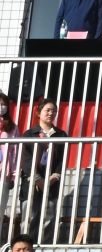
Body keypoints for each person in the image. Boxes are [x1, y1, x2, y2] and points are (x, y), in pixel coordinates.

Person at [14, 101, 65, 239]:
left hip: (52, 181)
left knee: (49, 217)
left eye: (54, 111)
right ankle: (27, 245)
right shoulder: (29, 134)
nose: (51, 113)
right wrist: (37, 179)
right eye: (47, 110)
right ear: (39, 113)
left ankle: (45, 246)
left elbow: (62, 158)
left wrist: (55, 176)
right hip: (31, 181)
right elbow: (25, 158)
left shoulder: (61, 134)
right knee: (29, 217)